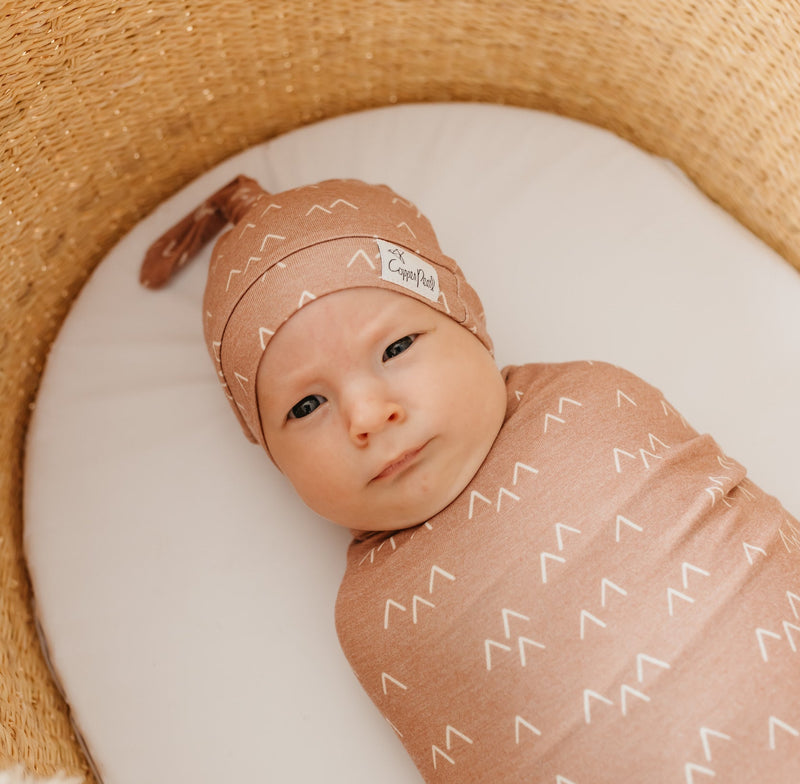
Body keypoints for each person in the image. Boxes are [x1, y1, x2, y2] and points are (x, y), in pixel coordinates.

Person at [141, 176, 800, 783]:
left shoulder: (594, 402)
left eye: (396, 348)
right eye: (306, 406)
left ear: (468, 323)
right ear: (273, 457)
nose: (366, 415)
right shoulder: (374, 621)